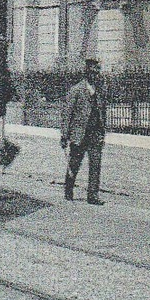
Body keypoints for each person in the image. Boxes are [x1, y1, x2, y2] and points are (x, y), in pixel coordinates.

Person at [60, 57, 107, 204]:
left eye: (96, 73)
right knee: (74, 163)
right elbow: (67, 114)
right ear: (86, 73)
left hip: (95, 133)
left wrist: (102, 129)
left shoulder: (99, 91)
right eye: (92, 73)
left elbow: (102, 112)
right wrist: (64, 135)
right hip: (80, 134)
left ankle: (92, 195)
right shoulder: (76, 90)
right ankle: (69, 190)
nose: (95, 76)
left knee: (95, 164)